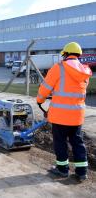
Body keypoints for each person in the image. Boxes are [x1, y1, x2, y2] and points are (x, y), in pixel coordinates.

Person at [36, 42, 92, 181]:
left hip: (60, 116)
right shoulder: (84, 71)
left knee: (60, 143)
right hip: (77, 116)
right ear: (78, 55)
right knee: (77, 142)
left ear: (65, 54)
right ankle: (82, 172)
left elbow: (45, 88)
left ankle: (62, 169)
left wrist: (40, 101)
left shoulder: (59, 68)